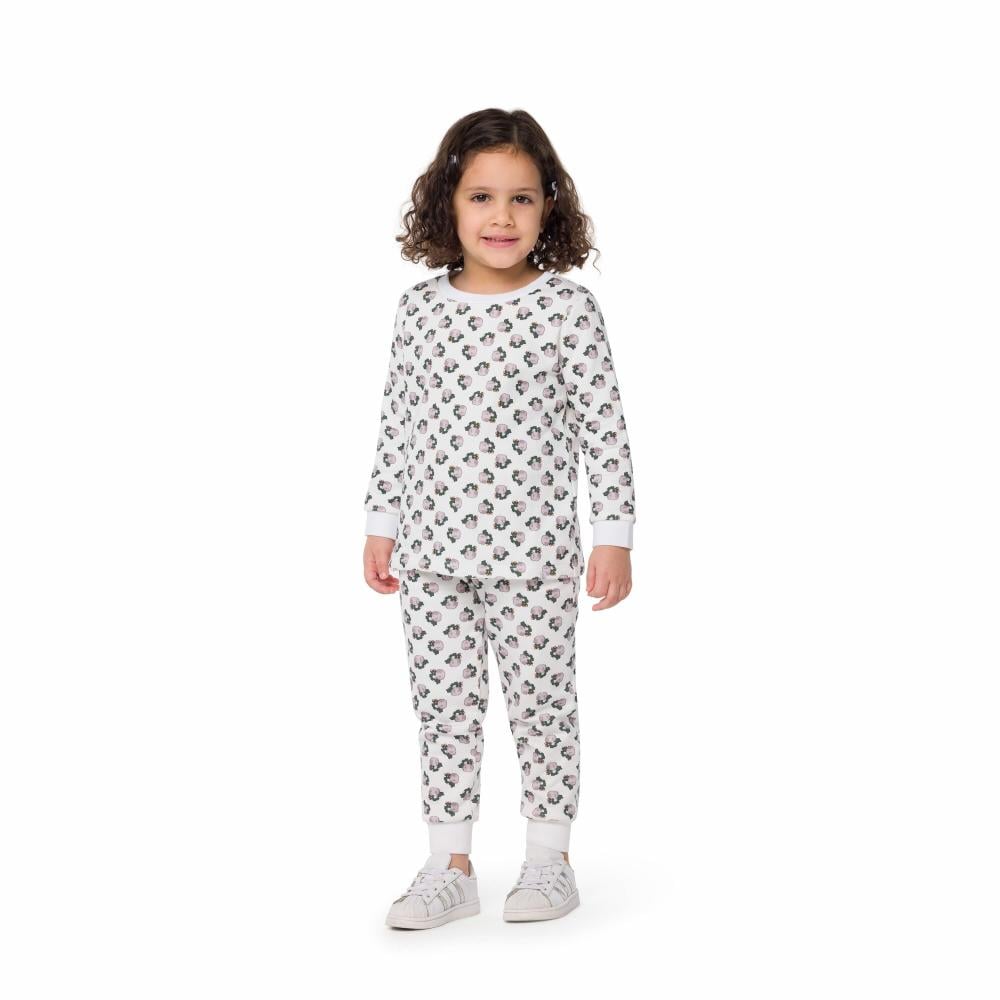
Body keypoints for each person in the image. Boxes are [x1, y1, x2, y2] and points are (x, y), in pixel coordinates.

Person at [362, 108, 637, 930]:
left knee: (541, 704)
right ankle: (449, 865)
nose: (502, 217)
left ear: (549, 206)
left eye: (522, 198)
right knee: (443, 707)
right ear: (449, 203)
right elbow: (399, 421)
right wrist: (381, 521)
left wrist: (613, 536)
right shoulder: (420, 309)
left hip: (536, 557)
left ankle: (549, 860)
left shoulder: (567, 310)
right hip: (432, 551)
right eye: (481, 197)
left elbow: (604, 429)